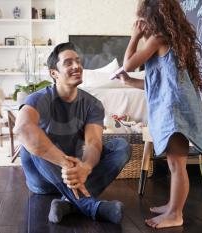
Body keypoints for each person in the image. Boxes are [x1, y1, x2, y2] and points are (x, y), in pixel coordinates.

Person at [113, 0, 202, 229]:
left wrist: (134, 36)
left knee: (177, 165)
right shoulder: (171, 39)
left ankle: (175, 214)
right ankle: (173, 206)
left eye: (142, 18)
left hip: (175, 111)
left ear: (150, 16)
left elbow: (128, 63)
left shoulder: (158, 38)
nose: (140, 22)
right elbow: (161, 85)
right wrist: (129, 82)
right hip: (177, 107)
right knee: (176, 163)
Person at [14, 42, 131, 224]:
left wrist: (86, 167)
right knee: (32, 142)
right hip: (44, 177)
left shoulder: (92, 104)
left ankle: (67, 203)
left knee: (121, 146)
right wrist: (64, 163)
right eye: (68, 63)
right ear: (54, 73)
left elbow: (93, 143)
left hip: (77, 175)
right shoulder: (38, 98)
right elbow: (22, 129)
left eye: (78, 61)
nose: (77, 66)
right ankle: (90, 206)